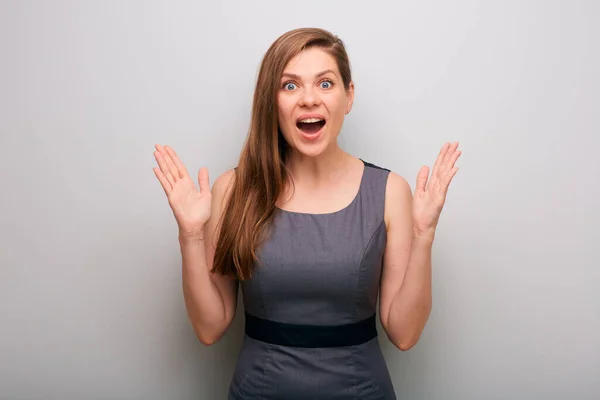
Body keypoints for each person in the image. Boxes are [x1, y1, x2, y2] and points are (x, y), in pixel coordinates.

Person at [152, 27, 460, 400]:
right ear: (272, 101)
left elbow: (405, 333)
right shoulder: (232, 190)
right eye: (290, 86)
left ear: (349, 96)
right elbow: (209, 327)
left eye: (326, 84)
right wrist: (190, 235)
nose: (309, 99)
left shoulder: (390, 191)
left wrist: (424, 233)